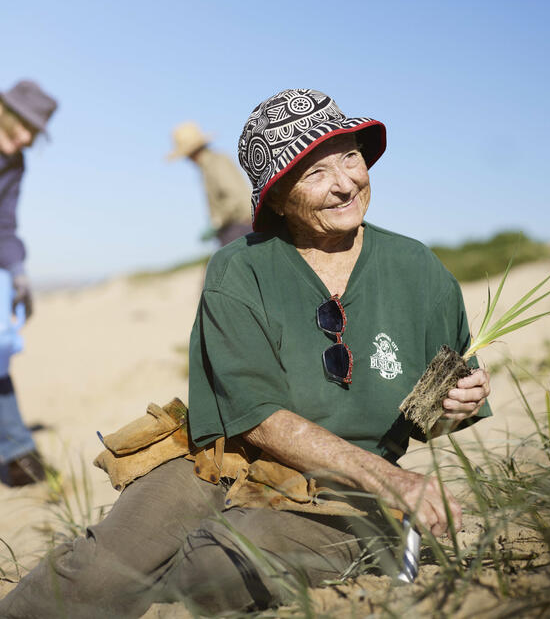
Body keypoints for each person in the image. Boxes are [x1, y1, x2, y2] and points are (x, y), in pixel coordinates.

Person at [0, 88, 490, 617]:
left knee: (214, 568)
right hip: (219, 460)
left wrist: (453, 408)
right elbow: (256, 420)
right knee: (98, 571)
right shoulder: (238, 269)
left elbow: (429, 420)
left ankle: (377, 546)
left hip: (350, 489)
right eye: (315, 172)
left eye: (349, 155)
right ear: (278, 198)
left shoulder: (419, 270)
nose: (345, 183)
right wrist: (395, 479)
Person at [0, 79, 58, 487]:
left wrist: (18, 271)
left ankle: (18, 454)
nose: (23, 138)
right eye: (19, 125)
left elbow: (4, 227)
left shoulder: (15, 164)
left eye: (32, 134)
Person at [166, 121, 253, 246]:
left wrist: (217, 222)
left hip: (239, 227)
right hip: (236, 227)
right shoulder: (209, 165)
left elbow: (234, 196)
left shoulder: (215, 163)